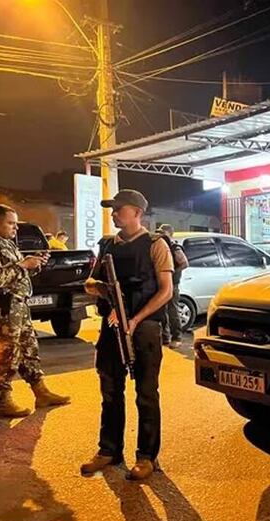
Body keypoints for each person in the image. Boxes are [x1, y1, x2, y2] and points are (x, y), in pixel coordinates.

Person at [80, 190, 173, 482]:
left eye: (118, 209)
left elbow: (165, 290)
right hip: (112, 324)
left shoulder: (156, 245)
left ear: (136, 212)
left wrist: (134, 319)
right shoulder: (107, 244)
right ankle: (109, 450)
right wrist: (101, 289)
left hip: (144, 326)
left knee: (146, 394)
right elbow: (89, 282)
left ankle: (147, 456)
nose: (113, 214)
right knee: (110, 391)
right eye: (112, 210)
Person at [0, 204, 70, 418]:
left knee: (28, 349)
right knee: (7, 354)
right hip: (1, 310)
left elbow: (14, 275)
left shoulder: (6, 243)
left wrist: (34, 265)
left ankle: (40, 391)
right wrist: (23, 265)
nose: (15, 228)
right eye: (11, 223)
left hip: (18, 306)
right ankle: (3, 401)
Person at [156, 223, 187, 347]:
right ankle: (165, 337)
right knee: (161, 311)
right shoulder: (160, 246)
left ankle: (177, 337)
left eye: (163, 233)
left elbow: (184, 263)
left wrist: (171, 272)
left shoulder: (175, 247)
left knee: (172, 311)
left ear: (169, 233)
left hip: (172, 285)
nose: (160, 235)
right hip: (160, 284)